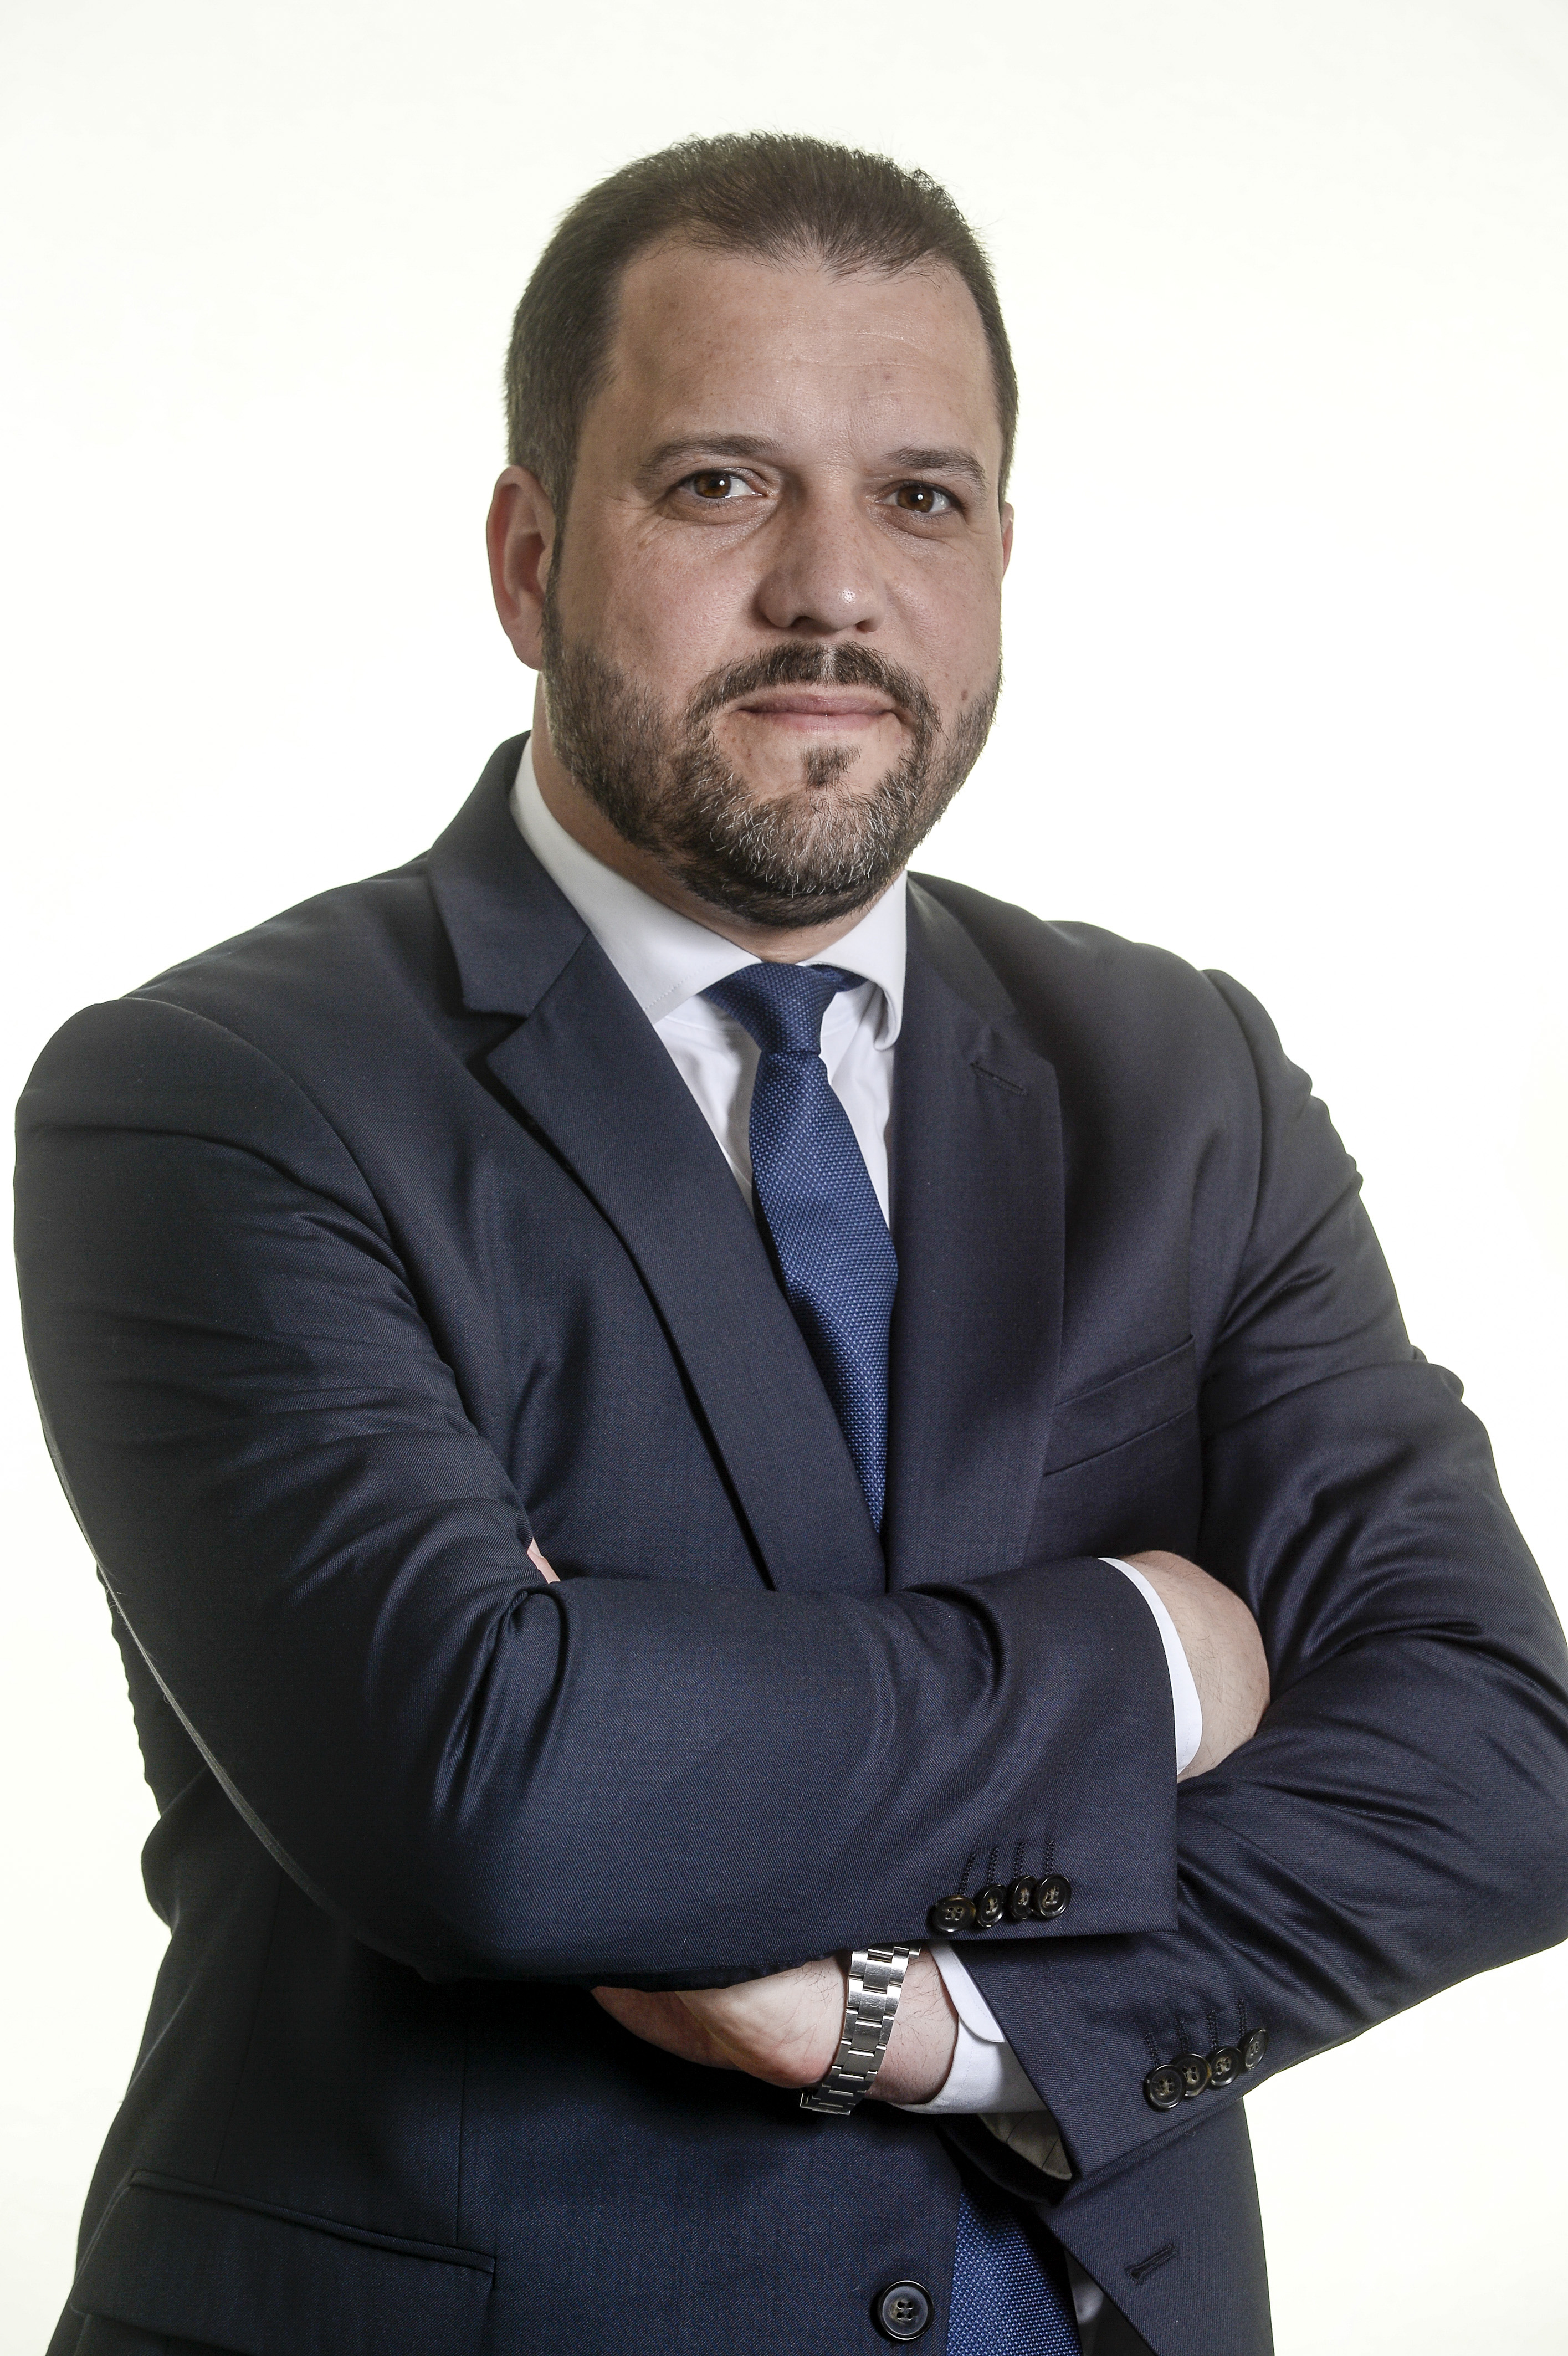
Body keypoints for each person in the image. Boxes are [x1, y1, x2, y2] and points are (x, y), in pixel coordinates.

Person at [16, 131, 1568, 2356]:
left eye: (921, 497)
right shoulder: (217, 1096)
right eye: (721, 486)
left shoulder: (1182, 1073)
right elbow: (498, 1792)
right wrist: (1154, 1648)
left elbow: (1501, 1754)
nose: (832, 590)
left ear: (1003, 555)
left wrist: (917, 2024)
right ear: (530, 555)